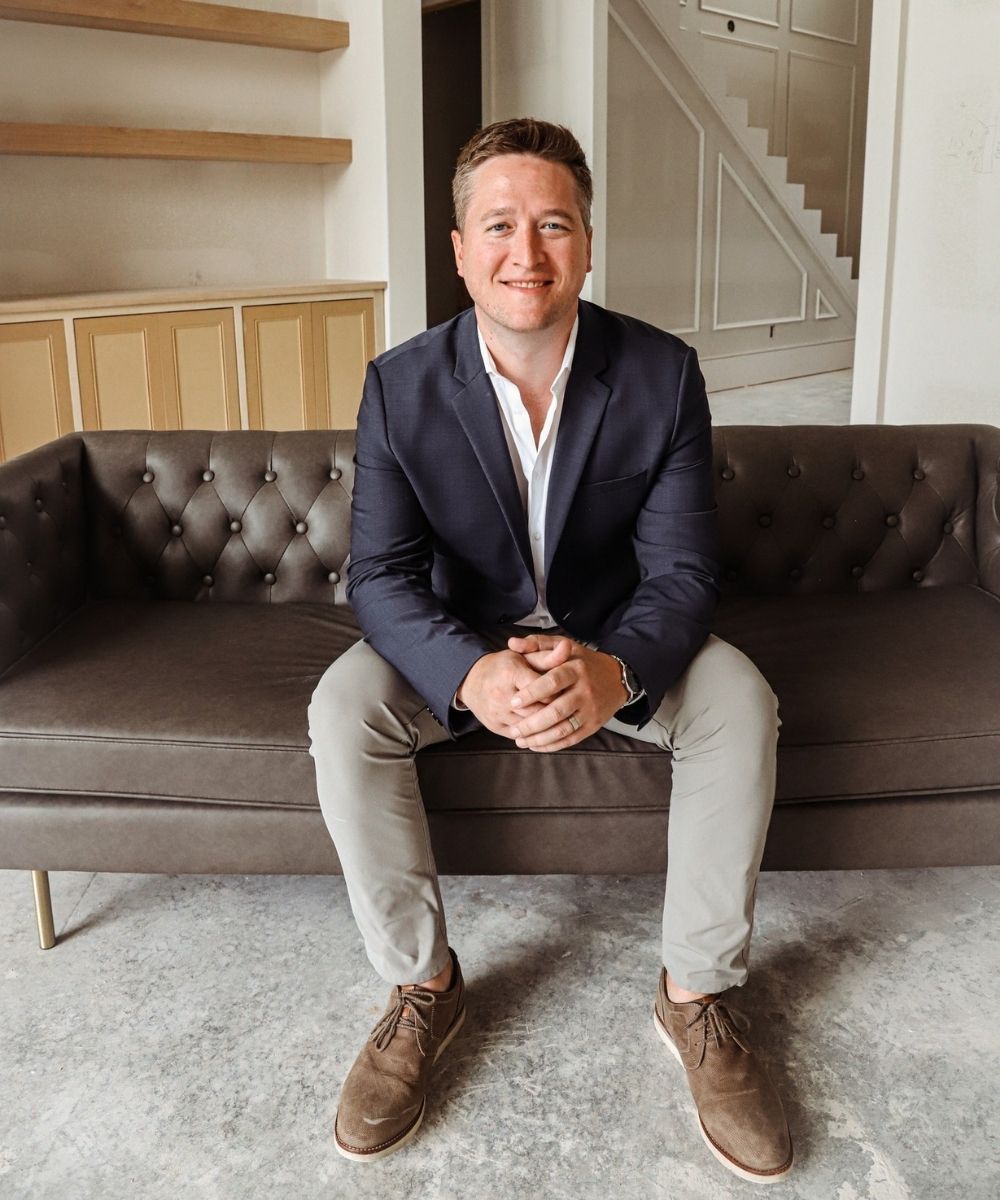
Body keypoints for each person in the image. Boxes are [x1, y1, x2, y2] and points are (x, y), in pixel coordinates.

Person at [307, 117, 791, 1183]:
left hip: (614, 631)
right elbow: (379, 577)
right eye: (499, 226)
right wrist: (470, 672)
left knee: (740, 701)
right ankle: (423, 989)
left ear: (586, 240)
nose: (526, 253)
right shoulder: (399, 384)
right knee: (343, 707)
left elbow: (681, 578)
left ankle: (697, 995)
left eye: (553, 225)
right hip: (463, 634)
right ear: (458, 247)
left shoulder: (661, 375)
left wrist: (615, 668)